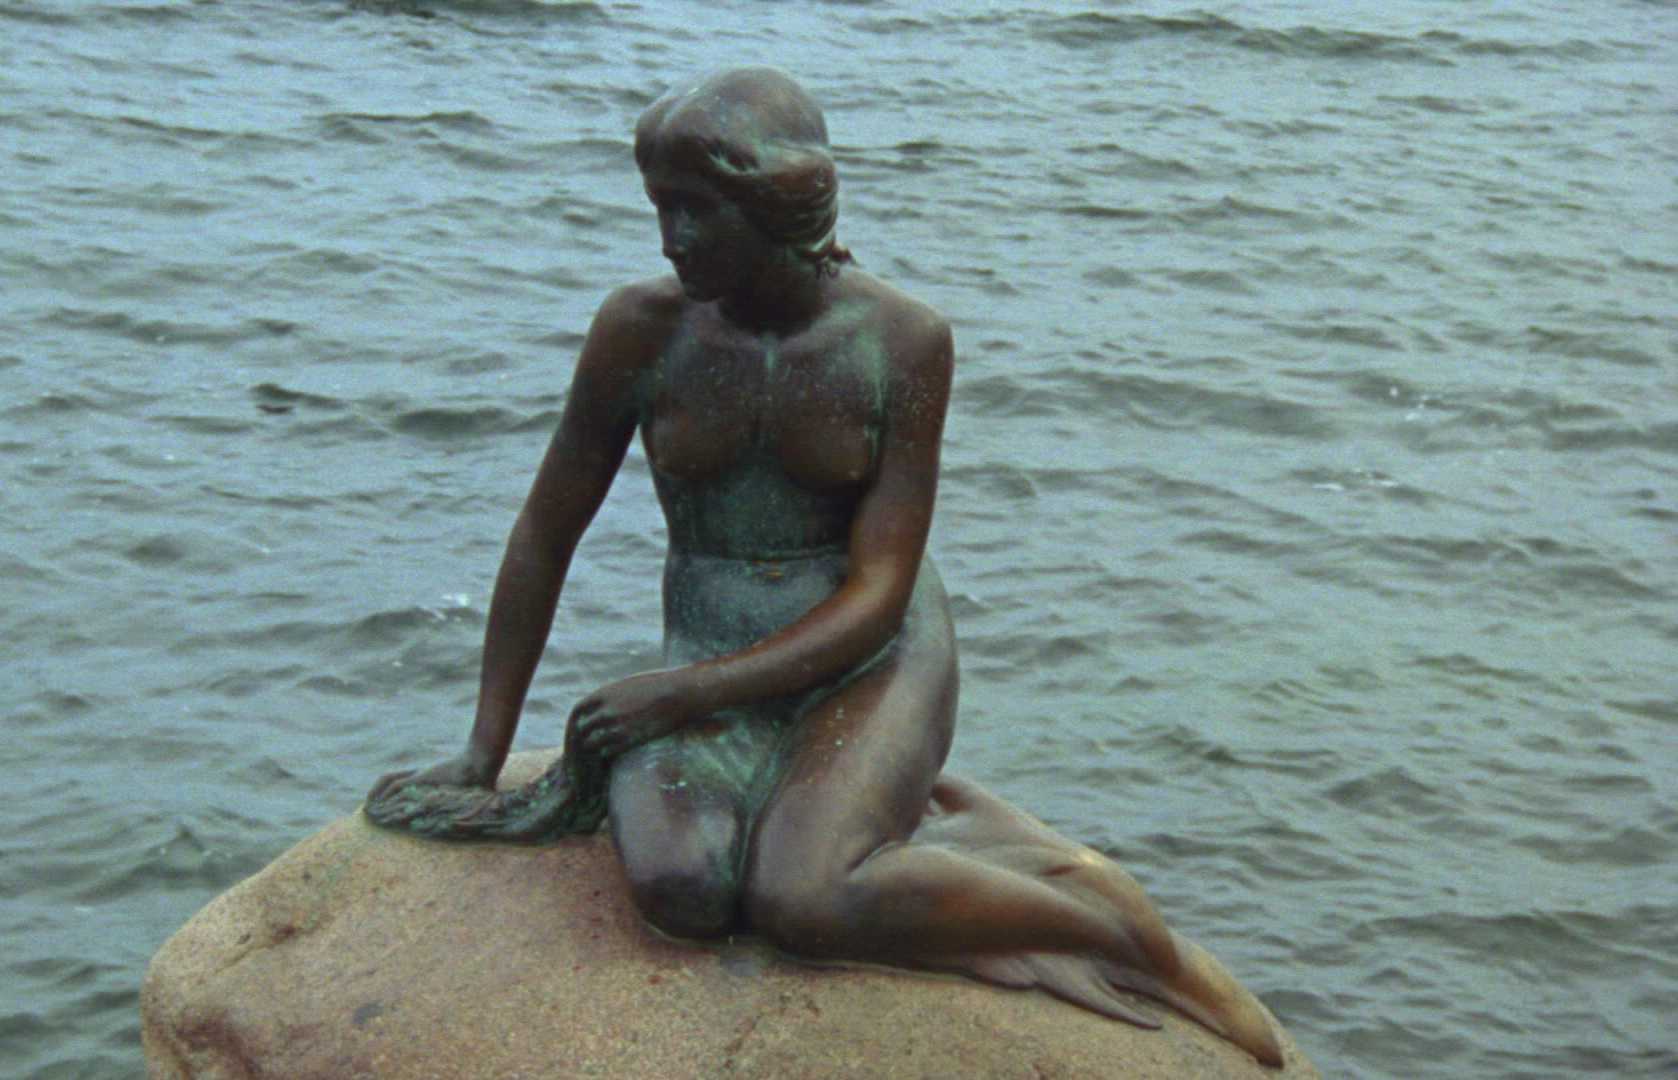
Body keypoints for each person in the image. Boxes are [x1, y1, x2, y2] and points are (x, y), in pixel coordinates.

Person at [366, 66, 1282, 1067]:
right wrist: (483, 749)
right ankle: (921, 832)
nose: (671, 239)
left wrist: (676, 695)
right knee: (682, 891)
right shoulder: (640, 330)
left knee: (803, 897)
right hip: (714, 648)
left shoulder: (902, 342)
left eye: (696, 210)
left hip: (871, 656)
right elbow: (546, 534)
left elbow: (881, 592)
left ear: (779, 202)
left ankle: (1130, 939)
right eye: (660, 208)